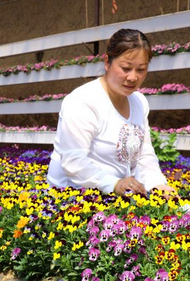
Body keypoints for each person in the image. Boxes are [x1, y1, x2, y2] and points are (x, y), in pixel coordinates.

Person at [47, 29, 177, 198]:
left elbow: (144, 154)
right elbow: (74, 161)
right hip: (72, 199)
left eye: (141, 69)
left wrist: (158, 184)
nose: (133, 77)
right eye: (126, 68)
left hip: (117, 196)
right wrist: (113, 184)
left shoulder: (139, 102)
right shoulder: (83, 101)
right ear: (107, 62)